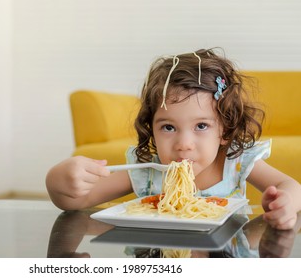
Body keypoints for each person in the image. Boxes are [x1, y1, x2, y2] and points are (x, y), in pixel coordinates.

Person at [46, 48, 301, 230]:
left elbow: (291, 186)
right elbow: (75, 202)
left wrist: (285, 202)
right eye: (168, 127)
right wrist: (58, 180)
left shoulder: (236, 161)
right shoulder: (148, 169)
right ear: (151, 128)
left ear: (224, 130)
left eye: (201, 125)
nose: (183, 143)